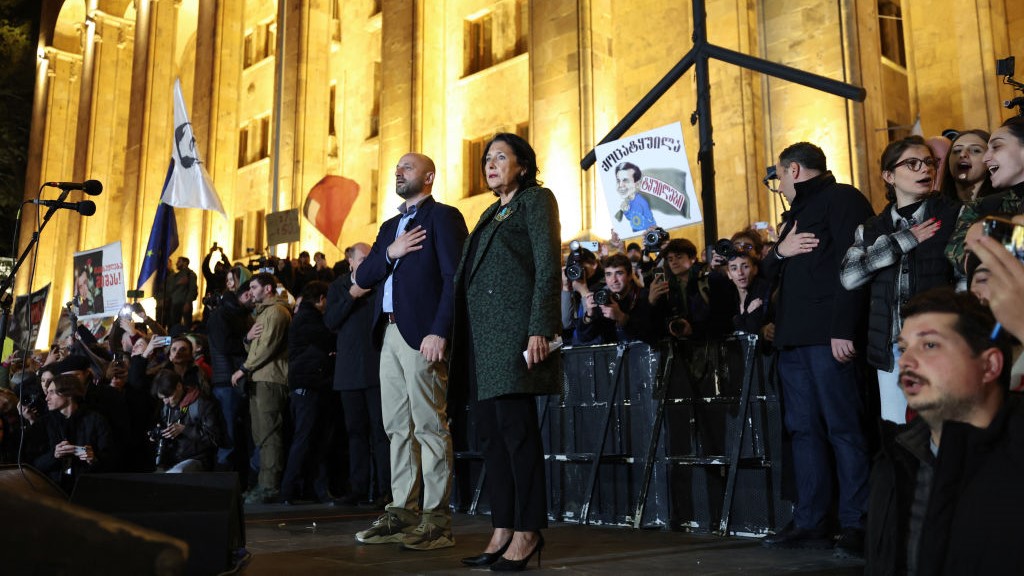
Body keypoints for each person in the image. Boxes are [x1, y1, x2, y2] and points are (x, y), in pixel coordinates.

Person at [759, 142, 874, 557]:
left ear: (792, 170)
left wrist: (844, 327)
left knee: (845, 428)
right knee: (803, 431)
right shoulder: (792, 217)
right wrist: (778, 250)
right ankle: (811, 519)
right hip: (792, 341)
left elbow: (855, 262)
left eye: (777, 176)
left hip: (829, 339)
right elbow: (766, 274)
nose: (778, 185)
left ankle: (857, 521)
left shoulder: (843, 199)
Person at [454, 133, 560, 570]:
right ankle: (503, 526)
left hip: (515, 335)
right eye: (487, 158)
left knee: (517, 436)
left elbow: (547, 263)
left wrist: (540, 328)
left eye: (501, 157)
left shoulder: (536, 200)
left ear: (522, 164)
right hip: (481, 342)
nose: (491, 164)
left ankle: (529, 530)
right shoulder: (487, 213)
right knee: (491, 439)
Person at [353, 152, 468, 550]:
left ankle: (437, 519)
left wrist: (440, 331)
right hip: (387, 335)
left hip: (422, 336)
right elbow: (363, 276)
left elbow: (455, 277)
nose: (397, 172)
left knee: (429, 426)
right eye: (396, 168)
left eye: (407, 167)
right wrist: (391, 252)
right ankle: (402, 511)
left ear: (429, 176)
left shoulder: (443, 217)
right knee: (397, 428)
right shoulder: (388, 227)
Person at [865, 288, 1018, 574]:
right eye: (902, 347)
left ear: (989, 365)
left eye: (930, 345)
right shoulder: (895, 463)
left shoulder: (1015, 460)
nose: (905, 362)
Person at [840, 136, 959, 423]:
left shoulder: (953, 214)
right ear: (889, 175)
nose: (925, 170)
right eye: (913, 163)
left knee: (943, 431)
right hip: (890, 351)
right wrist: (901, 241)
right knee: (899, 435)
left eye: (929, 163)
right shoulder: (871, 229)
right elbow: (849, 276)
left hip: (939, 344)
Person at [324, 242, 390, 507]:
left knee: (381, 432)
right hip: (349, 373)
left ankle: (387, 490)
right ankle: (359, 488)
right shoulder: (337, 288)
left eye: (370, 258)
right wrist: (352, 295)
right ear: (350, 262)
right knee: (355, 433)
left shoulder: (380, 284)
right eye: (362, 259)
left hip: (377, 371)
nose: (366, 263)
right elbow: (331, 322)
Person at [231, 273, 291, 504]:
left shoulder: (276, 312)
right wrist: (247, 339)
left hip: (271, 379)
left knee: (269, 434)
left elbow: (266, 348)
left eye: (254, 287)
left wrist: (243, 369)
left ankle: (269, 487)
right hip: (260, 378)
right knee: (260, 434)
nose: (250, 291)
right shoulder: (263, 314)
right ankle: (263, 483)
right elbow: (256, 347)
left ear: (268, 289)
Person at [280, 280, 336, 504]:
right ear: (321, 299)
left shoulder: (305, 318)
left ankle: (308, 489)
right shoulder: (308, 319)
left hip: (312, 384)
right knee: (303, 439)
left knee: (312, 439)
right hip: (307, 386)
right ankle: (289, 490)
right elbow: (329, 338)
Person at [946, 116, 1024, 272]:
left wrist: (990, 233)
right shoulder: (985, 205)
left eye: (996, 147)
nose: (986, 158)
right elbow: (961, 257)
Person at [28, 374, 115, 493]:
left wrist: (93, 458)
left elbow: (111, 461)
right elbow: (32, 465)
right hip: (52, 490)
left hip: (88, 490)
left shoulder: (96, 420)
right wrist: (54, 456)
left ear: (68, 393)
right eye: (47, 392)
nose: (47, 398)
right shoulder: (44, 423)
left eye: (52, 392)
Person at [151, 369, 228, 473]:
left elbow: (214, 439)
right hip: (171, 459)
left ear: (179, 386)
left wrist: (185, 429)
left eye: (168, 397)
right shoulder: (166, 408)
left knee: (177, 473)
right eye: (162, 398)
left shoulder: (201, 404)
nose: (166, 402)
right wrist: (158, 434)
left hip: (197, 459)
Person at [578, 252, 658, 345]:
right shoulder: (602, 298)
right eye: (608, 274)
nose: (614, 280)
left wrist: (621, 317)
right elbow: (583, 338)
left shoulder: (645, 296)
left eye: (619, 273)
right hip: (612, 356)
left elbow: (652, 335)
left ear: (629, 276)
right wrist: (589, 315)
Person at [560, 246, 604, 345]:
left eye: (581, 268)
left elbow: (589, 328)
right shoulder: (575, 288)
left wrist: (584, 291)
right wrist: (566, 288)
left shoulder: (604, 285)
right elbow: (566, 324)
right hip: (578, 348)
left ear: (594, 265)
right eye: (574, 268)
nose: (578, 272)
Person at [940, 129, 995, 204]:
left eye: (975, 150)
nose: (962, 154)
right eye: (957, 151)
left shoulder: (1006, 205)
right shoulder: (932, 206)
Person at [614, 161, 657, 232]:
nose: (620, 185)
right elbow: (633, 218)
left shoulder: (639, 202)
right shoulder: (630, 200)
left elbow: (637, 223)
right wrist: (626, 211)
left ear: (637, 184)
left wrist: (626, 211)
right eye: (618, 181)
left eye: (625, 180)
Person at [162, 256, 199, 328]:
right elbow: (169, 288)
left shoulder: (190, 274)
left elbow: (193, 289)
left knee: (187, 325)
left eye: (179, 262)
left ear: (185, 263)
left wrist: (188, 302)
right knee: (174, 325)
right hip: (175, 304)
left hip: (184, 303)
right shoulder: (175, 275)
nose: (176, 264)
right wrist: (178, 283)